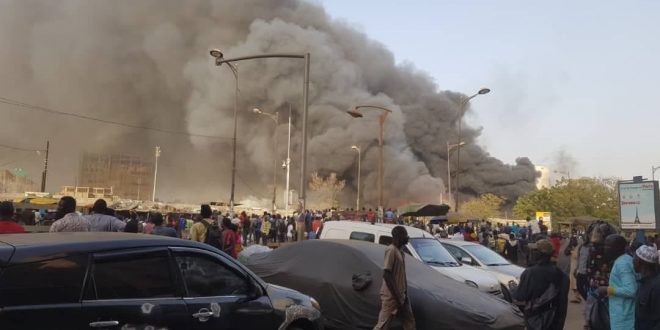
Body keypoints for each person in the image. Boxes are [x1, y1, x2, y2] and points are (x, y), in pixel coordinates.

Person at [513, 239, 569, 330]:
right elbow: (563, 305)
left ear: (538, 254)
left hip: (534, 321)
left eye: (534, 251)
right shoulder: (562, 275)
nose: (531, 253)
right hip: (554, 321)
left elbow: (520, 296)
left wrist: (513, 289)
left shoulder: (530, 273)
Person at [374, 226, 416, 330]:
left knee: (409, 321)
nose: (407, 238)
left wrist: (404, 294)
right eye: (405, 236)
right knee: (383, 324)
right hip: (391, 296)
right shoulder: (391, 250)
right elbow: (387, 274)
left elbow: (401, 274)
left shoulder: (400, 251)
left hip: (402, 294)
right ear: (398, 237)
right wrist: (397, 297)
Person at [597, 234, 637, 330]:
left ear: (618, 248)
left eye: (608, 246)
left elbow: (631, 290)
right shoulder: (622, 260)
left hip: (623, 317)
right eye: (605, 245)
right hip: (620, 313)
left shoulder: (623, 264)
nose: (605, 248)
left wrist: (607, 289)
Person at [633, 245, 660, 329]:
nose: (632, 261)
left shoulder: (656, 286)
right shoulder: (644, 283)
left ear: (639, 262)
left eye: (634, 259)